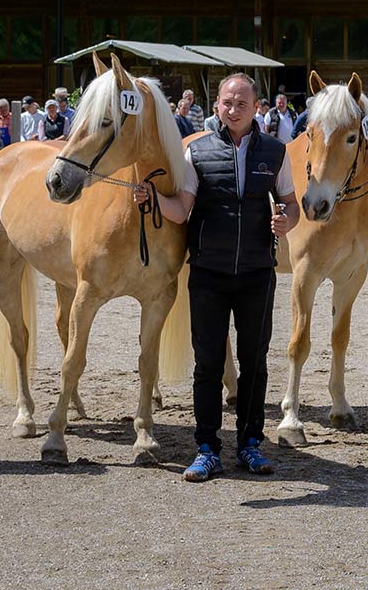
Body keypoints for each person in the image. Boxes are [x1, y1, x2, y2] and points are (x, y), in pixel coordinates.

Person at [133, 73, 300, 482]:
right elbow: (182, 208)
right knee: (207, 365)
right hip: (207, 272)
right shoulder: (198, 153)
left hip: (257, 273)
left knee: (254, 363)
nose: (234, 108)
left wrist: (286, 222)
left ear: (257, 105)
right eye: (227, 102)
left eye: (242, 102)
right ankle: (207, 448)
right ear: (217, 106)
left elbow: (292, 206)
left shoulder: (276, 153)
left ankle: (250, 444)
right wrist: (153, 197)